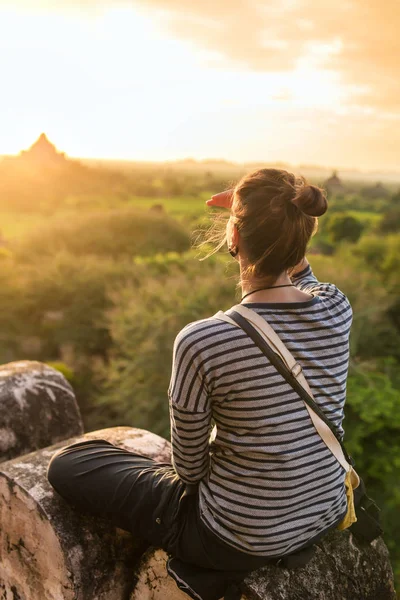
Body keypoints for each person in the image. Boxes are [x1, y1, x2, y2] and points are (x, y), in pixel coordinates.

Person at [47, 168, 352, 596]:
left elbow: (189, 469)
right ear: (299, 237)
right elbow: (304, 275)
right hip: (325, 508)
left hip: (232, 537)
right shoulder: (336, 307)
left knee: (72, 463)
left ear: (233, 240)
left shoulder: (203, 339)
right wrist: (267, 220)